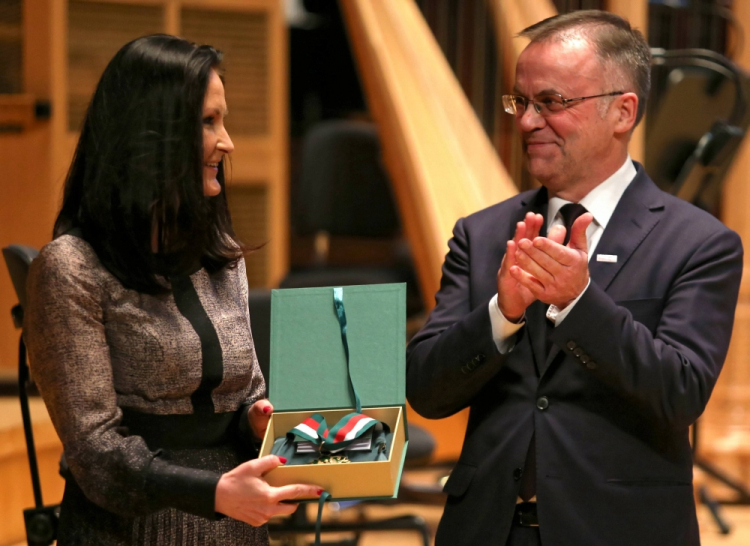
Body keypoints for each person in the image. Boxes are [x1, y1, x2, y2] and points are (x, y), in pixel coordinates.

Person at [406, 10, 743, 546]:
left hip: (621, 530)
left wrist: (580, 303)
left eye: (553, 102)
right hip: (488, 529)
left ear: (622, 112)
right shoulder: (482, 232)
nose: (527, 121)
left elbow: (680, 391)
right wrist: (502, 314)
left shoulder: (699, 243)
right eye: (521, 101)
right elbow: (425, 389)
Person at [24, 34, 320, 545]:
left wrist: (253, 420)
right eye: (208, 123)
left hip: (236, 521)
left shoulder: (220, 252)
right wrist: (212, 494)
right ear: (151, 135)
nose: (227, 143)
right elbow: (95, 453)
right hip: (134, 526)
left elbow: (243, 391)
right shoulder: (70, 267)